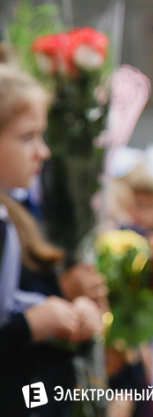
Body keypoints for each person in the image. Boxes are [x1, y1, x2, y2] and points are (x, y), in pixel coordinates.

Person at [0, 64, 105, 417]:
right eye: (27, 137)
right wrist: (32, 324)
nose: (43, 153)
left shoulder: (15, 219)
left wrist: (72, 316)